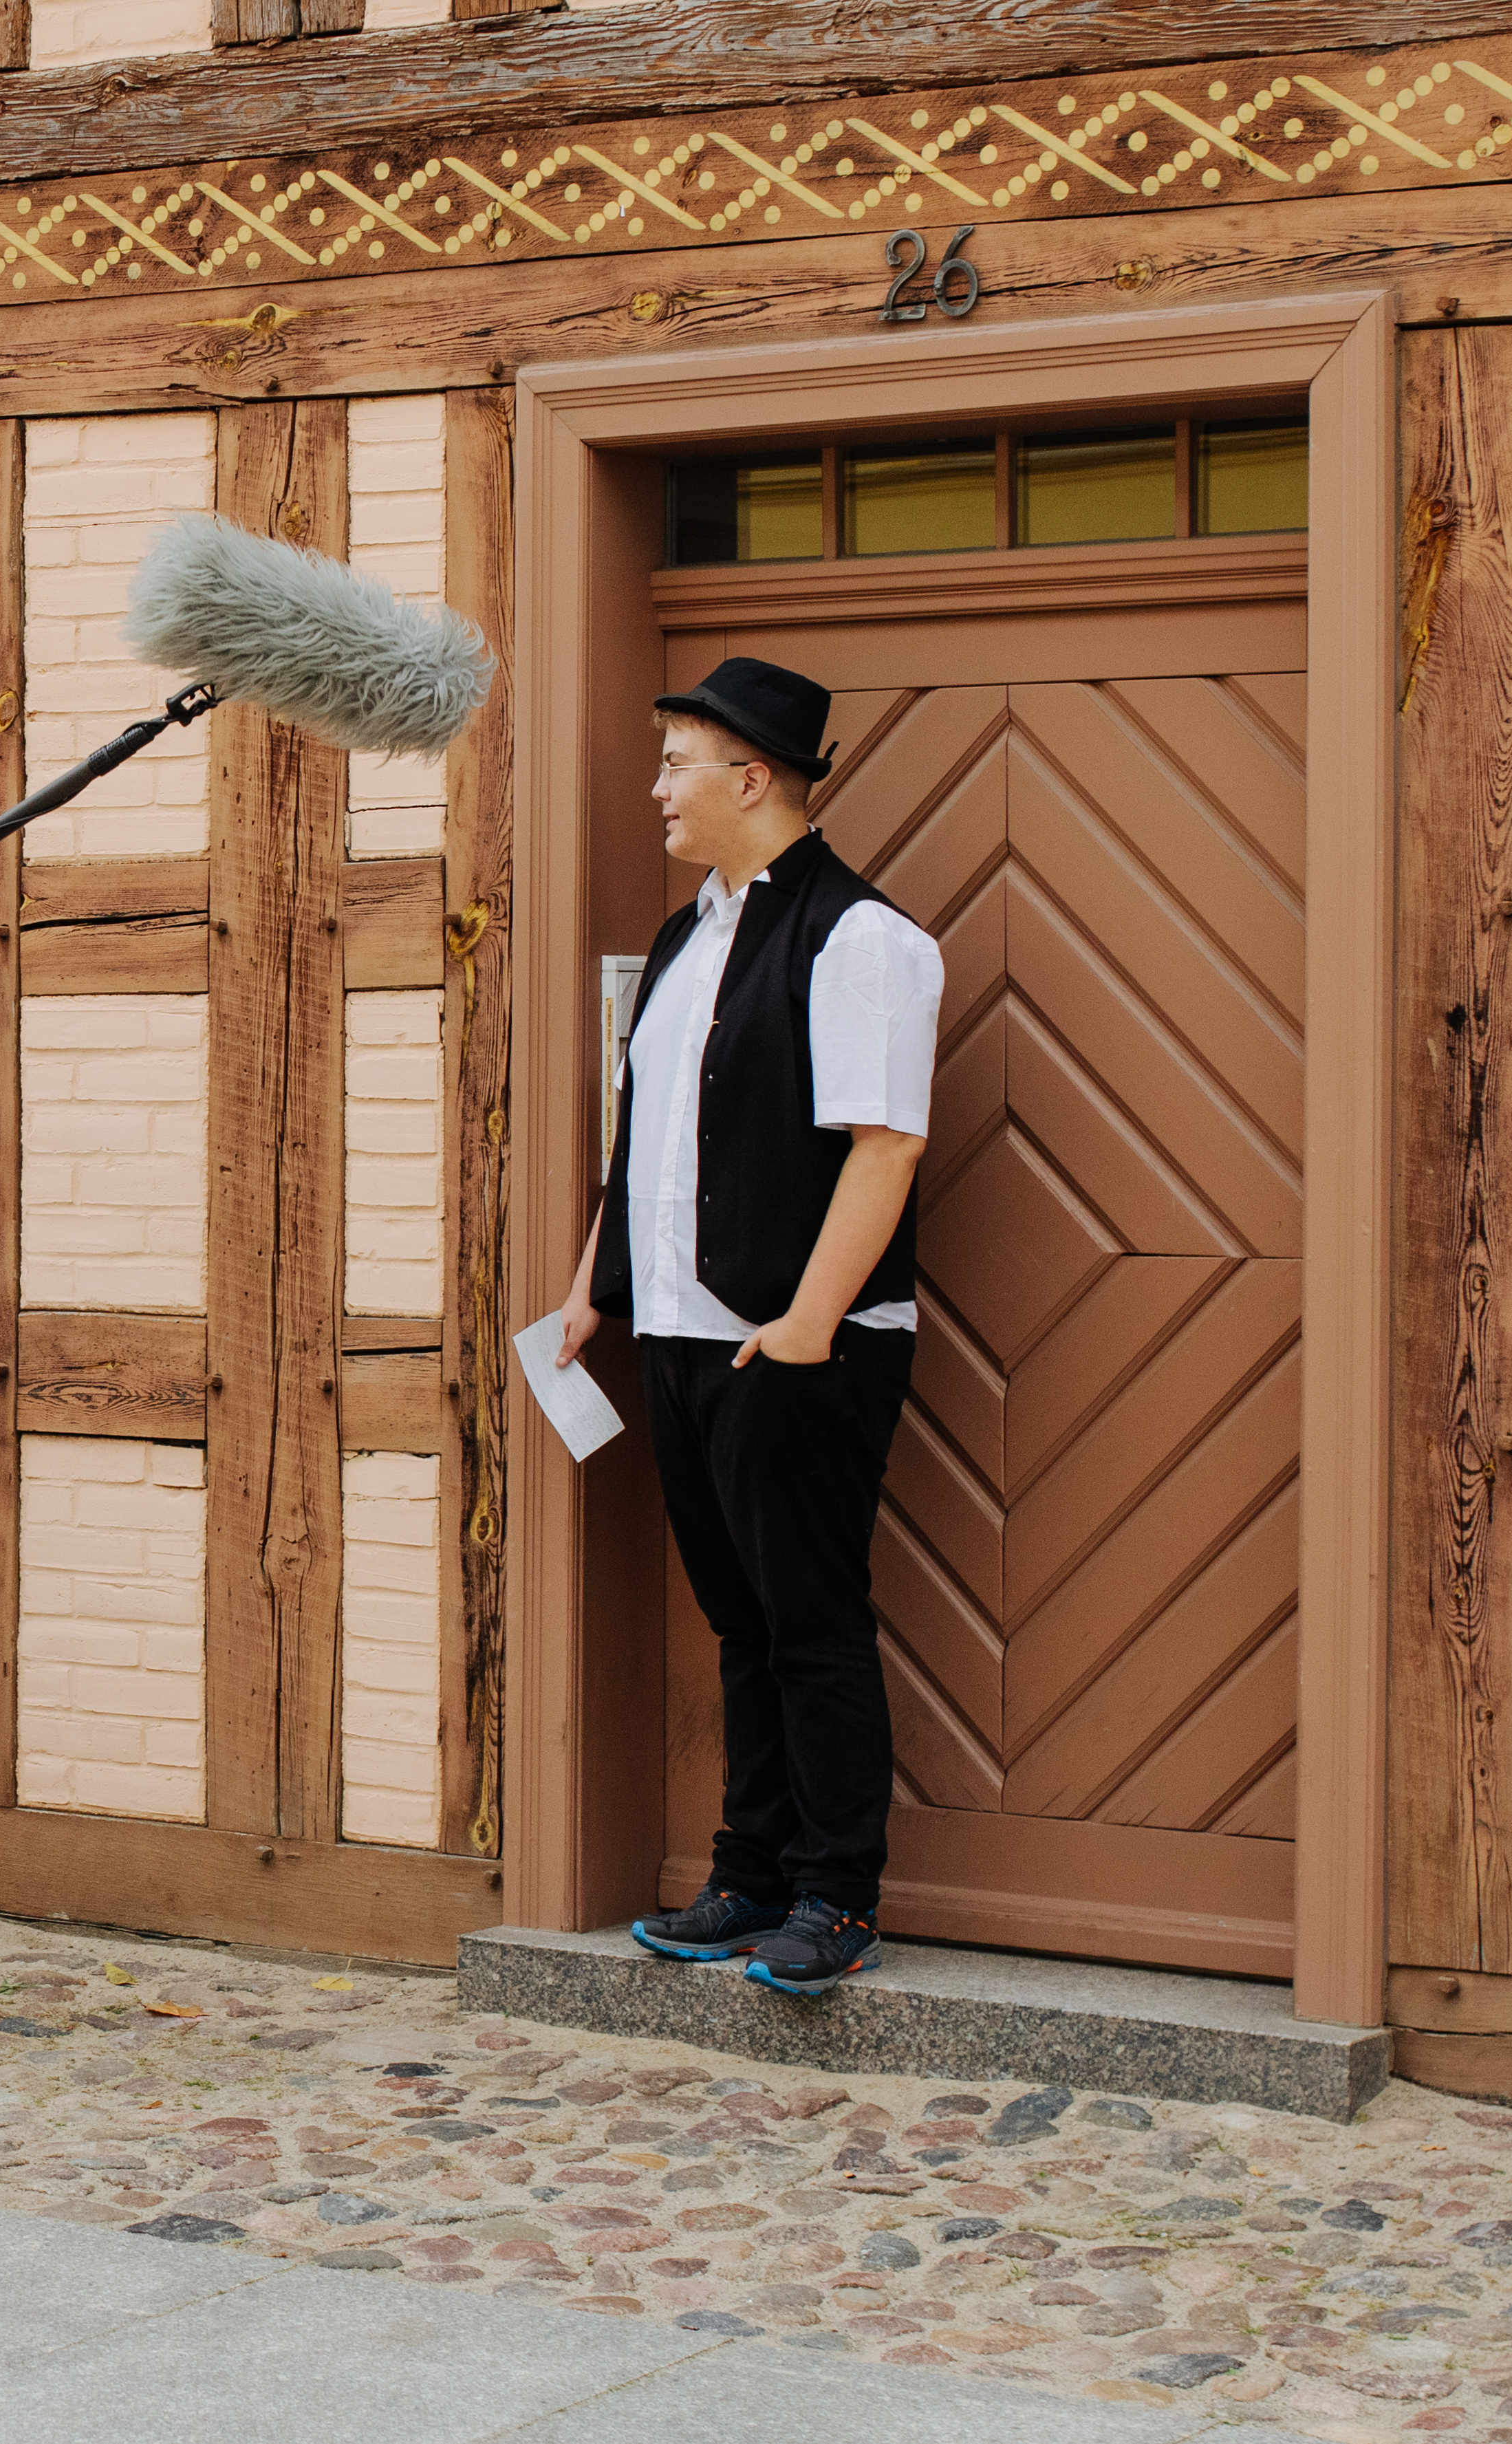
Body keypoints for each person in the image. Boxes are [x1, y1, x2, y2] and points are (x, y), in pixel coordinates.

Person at [559, 657, 944, 2000]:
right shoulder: (681, 939)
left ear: (752, 776)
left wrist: (803, 1327)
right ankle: (751, 1873)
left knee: (809, 1619)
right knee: (741, 1618)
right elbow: (647, 1143)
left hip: (796, 1340)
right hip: (675, 1334)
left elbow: (886, 1147)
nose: (656, 788)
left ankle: (836, 1896)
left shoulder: (862, 939)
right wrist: (594, 1287)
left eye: (676, 764)